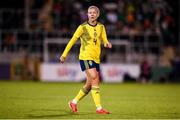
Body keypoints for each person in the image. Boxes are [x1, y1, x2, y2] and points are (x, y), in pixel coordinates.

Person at [60, 6, 112, 114]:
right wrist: (64, 55)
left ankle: (73, 102)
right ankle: (99, 108)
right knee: (95, 77)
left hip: (96, 59)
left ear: (97, 15)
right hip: (85, 57)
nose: (92, 14)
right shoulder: (82, 27)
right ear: (87, 14)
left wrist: (107, 43)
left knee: (89, 85)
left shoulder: (101, 27)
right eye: (90, 12)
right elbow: (72, 41)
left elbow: (104, 39)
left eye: (94, 13)